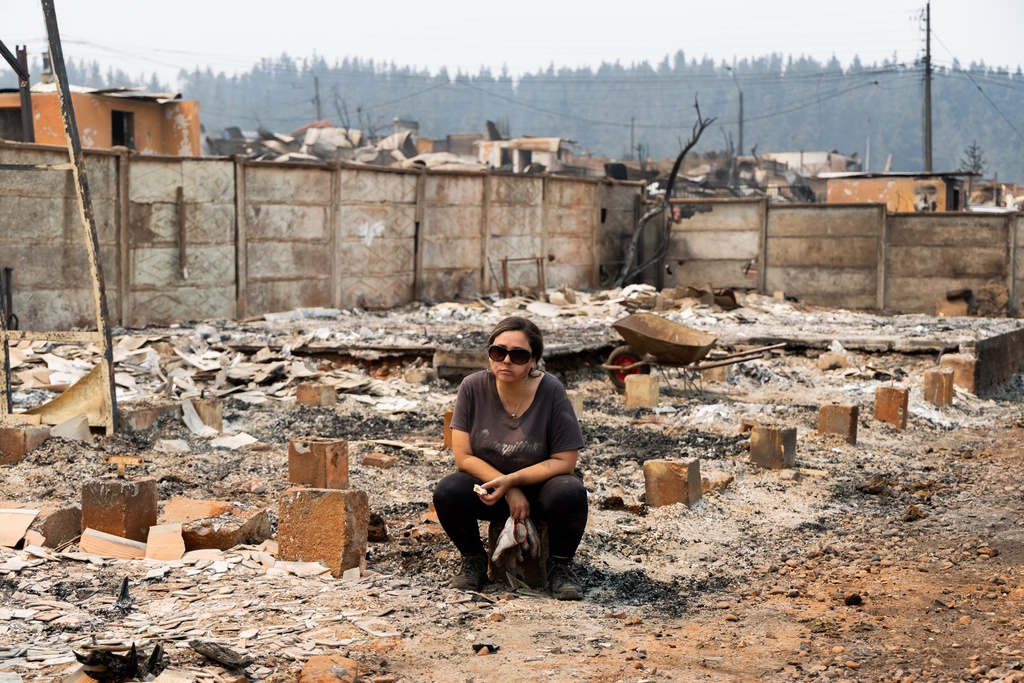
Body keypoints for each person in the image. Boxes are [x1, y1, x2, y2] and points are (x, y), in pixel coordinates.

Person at [432, 316, 588, 600]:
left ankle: (560, 566)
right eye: (498, 352)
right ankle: (474, 561)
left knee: (570, 492)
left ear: (533, 361)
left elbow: (565, 461)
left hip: (542, 491)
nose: (506, 360)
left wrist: (514, 481)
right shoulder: (472, 387)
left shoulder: (552, 391)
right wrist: (508, 489)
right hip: (490, 490)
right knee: (448, 490)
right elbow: (463, 457)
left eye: (518, 355)